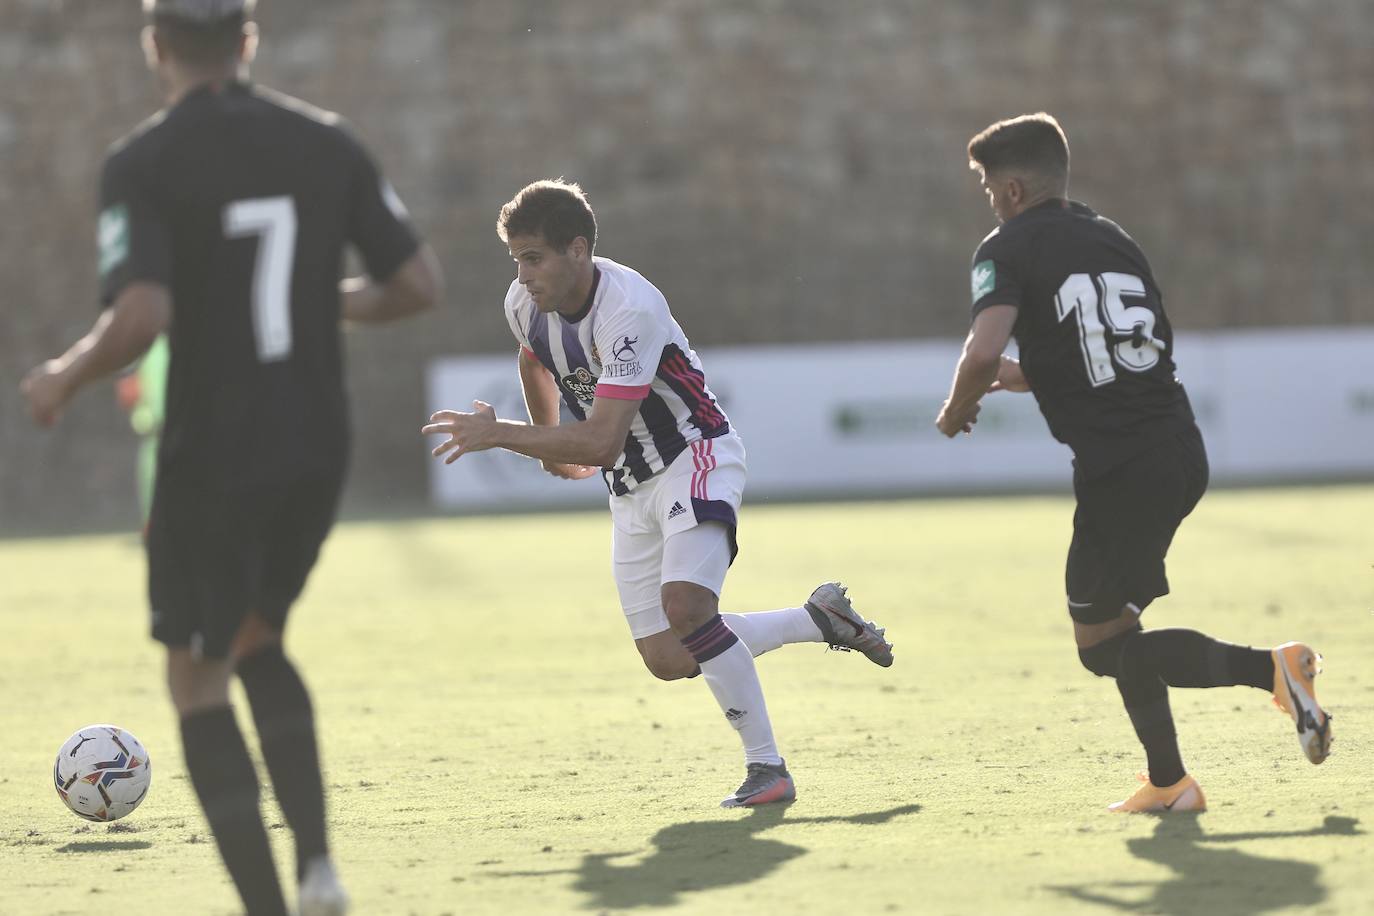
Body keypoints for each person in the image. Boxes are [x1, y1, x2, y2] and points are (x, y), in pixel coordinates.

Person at [21, 1, 442, 912]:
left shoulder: (142, 161)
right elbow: (416, 284)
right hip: (316, 438)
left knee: (195, 673)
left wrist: (61, 376)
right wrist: (312, 296)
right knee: (258, 636)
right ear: (249, 42)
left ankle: (267, 904)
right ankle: (319, 867)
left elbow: (141, 315)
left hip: (214, 445)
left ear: (156, 46)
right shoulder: (328, 141)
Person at [422, 179, 892, 808]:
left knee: (687, 607)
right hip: (629, 486)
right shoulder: (523, 301)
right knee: (669, 657)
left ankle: (768, 769)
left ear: (578, 249)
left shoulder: (629, 309)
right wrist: (550, 444)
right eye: (516, 260)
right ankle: (818, 619)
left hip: (693, 456)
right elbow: (533, 361)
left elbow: (601, 441)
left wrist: (504, 434)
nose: (522, 275)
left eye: (533, 258)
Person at [935, 112, 1332, 813]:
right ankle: (1170, 783)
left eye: (989, 187)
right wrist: (1027, 377)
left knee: (1101, 645)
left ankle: (1273, 671)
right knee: (1116, 635)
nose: (989, 200)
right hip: (1176, 447)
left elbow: (983, 350)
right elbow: (1118, 350)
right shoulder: (1112, 237)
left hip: (1123, 468)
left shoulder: (1006, 246)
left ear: (1014, 188)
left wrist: (955, 408)